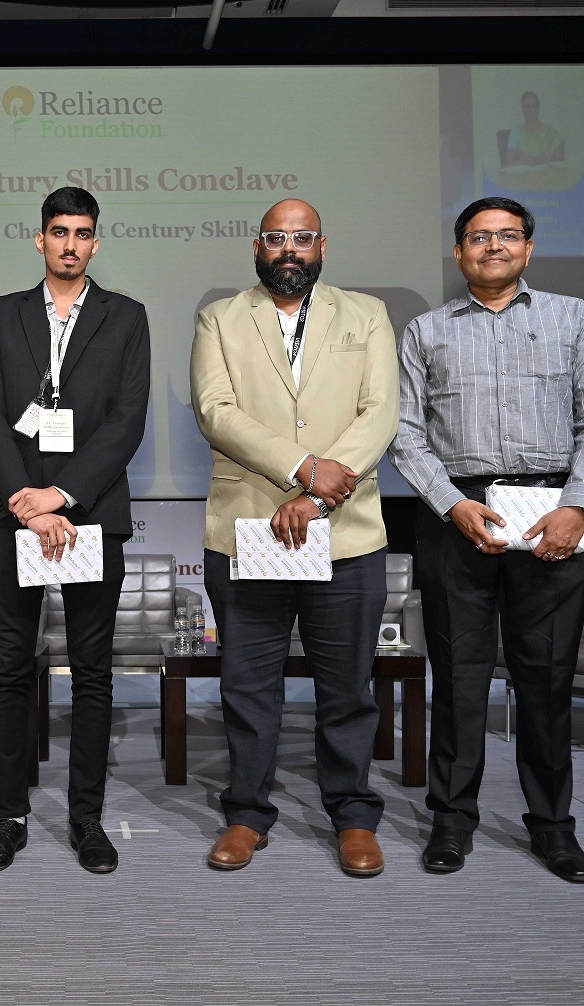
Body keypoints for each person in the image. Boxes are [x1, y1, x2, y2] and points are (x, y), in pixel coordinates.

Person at [390, 196, 584, 883]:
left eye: (508, 235)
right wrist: (451, 504)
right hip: (457, 517)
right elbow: (405, 433)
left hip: (552, 514)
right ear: (459, 251)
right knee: (457, 680)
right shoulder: (426, 331)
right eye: (479, 237)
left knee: (545, 683)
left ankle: (553, 827)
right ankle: (451, 821)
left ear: (528, 247)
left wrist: (578, 507)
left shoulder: (572, 318)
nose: (493, 246)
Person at [190, 198, 399, 876]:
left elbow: (380, 413)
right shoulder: (220, 317)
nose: (289, 249)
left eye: (302, 238)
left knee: (348, 689)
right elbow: (216, 412)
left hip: (346, 531)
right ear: (257, 247)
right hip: (249, 527)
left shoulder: (366, 314)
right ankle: (247, 815)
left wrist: (316, 495)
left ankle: (354, 817)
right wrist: (302, 467)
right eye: (276, 237)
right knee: (249, 688)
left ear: (322, 246)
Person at [0, 186, 150, 876]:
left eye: (81, 233)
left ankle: (86, 818)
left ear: (95, 243)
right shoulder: (4, 313)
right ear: (39, 239)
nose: (69, 244)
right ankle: (8, 816)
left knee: (93, 673)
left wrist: (62, 496)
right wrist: (29, 503)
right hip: (14, 511)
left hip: (91, 514)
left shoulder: (125, 316)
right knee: (11, 668)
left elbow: (126, 421)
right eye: (58, 232)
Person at [504, 91, 565, 166]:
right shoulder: (516, 132)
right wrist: (528, 161)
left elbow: (559, 160)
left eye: (534, 106)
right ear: (522, 108)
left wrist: (545, 158)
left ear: (538, 107)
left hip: (547, 172)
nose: (531, 110)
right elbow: (509, 164)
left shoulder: (549, 131)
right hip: (524, 172)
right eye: (527, 107)